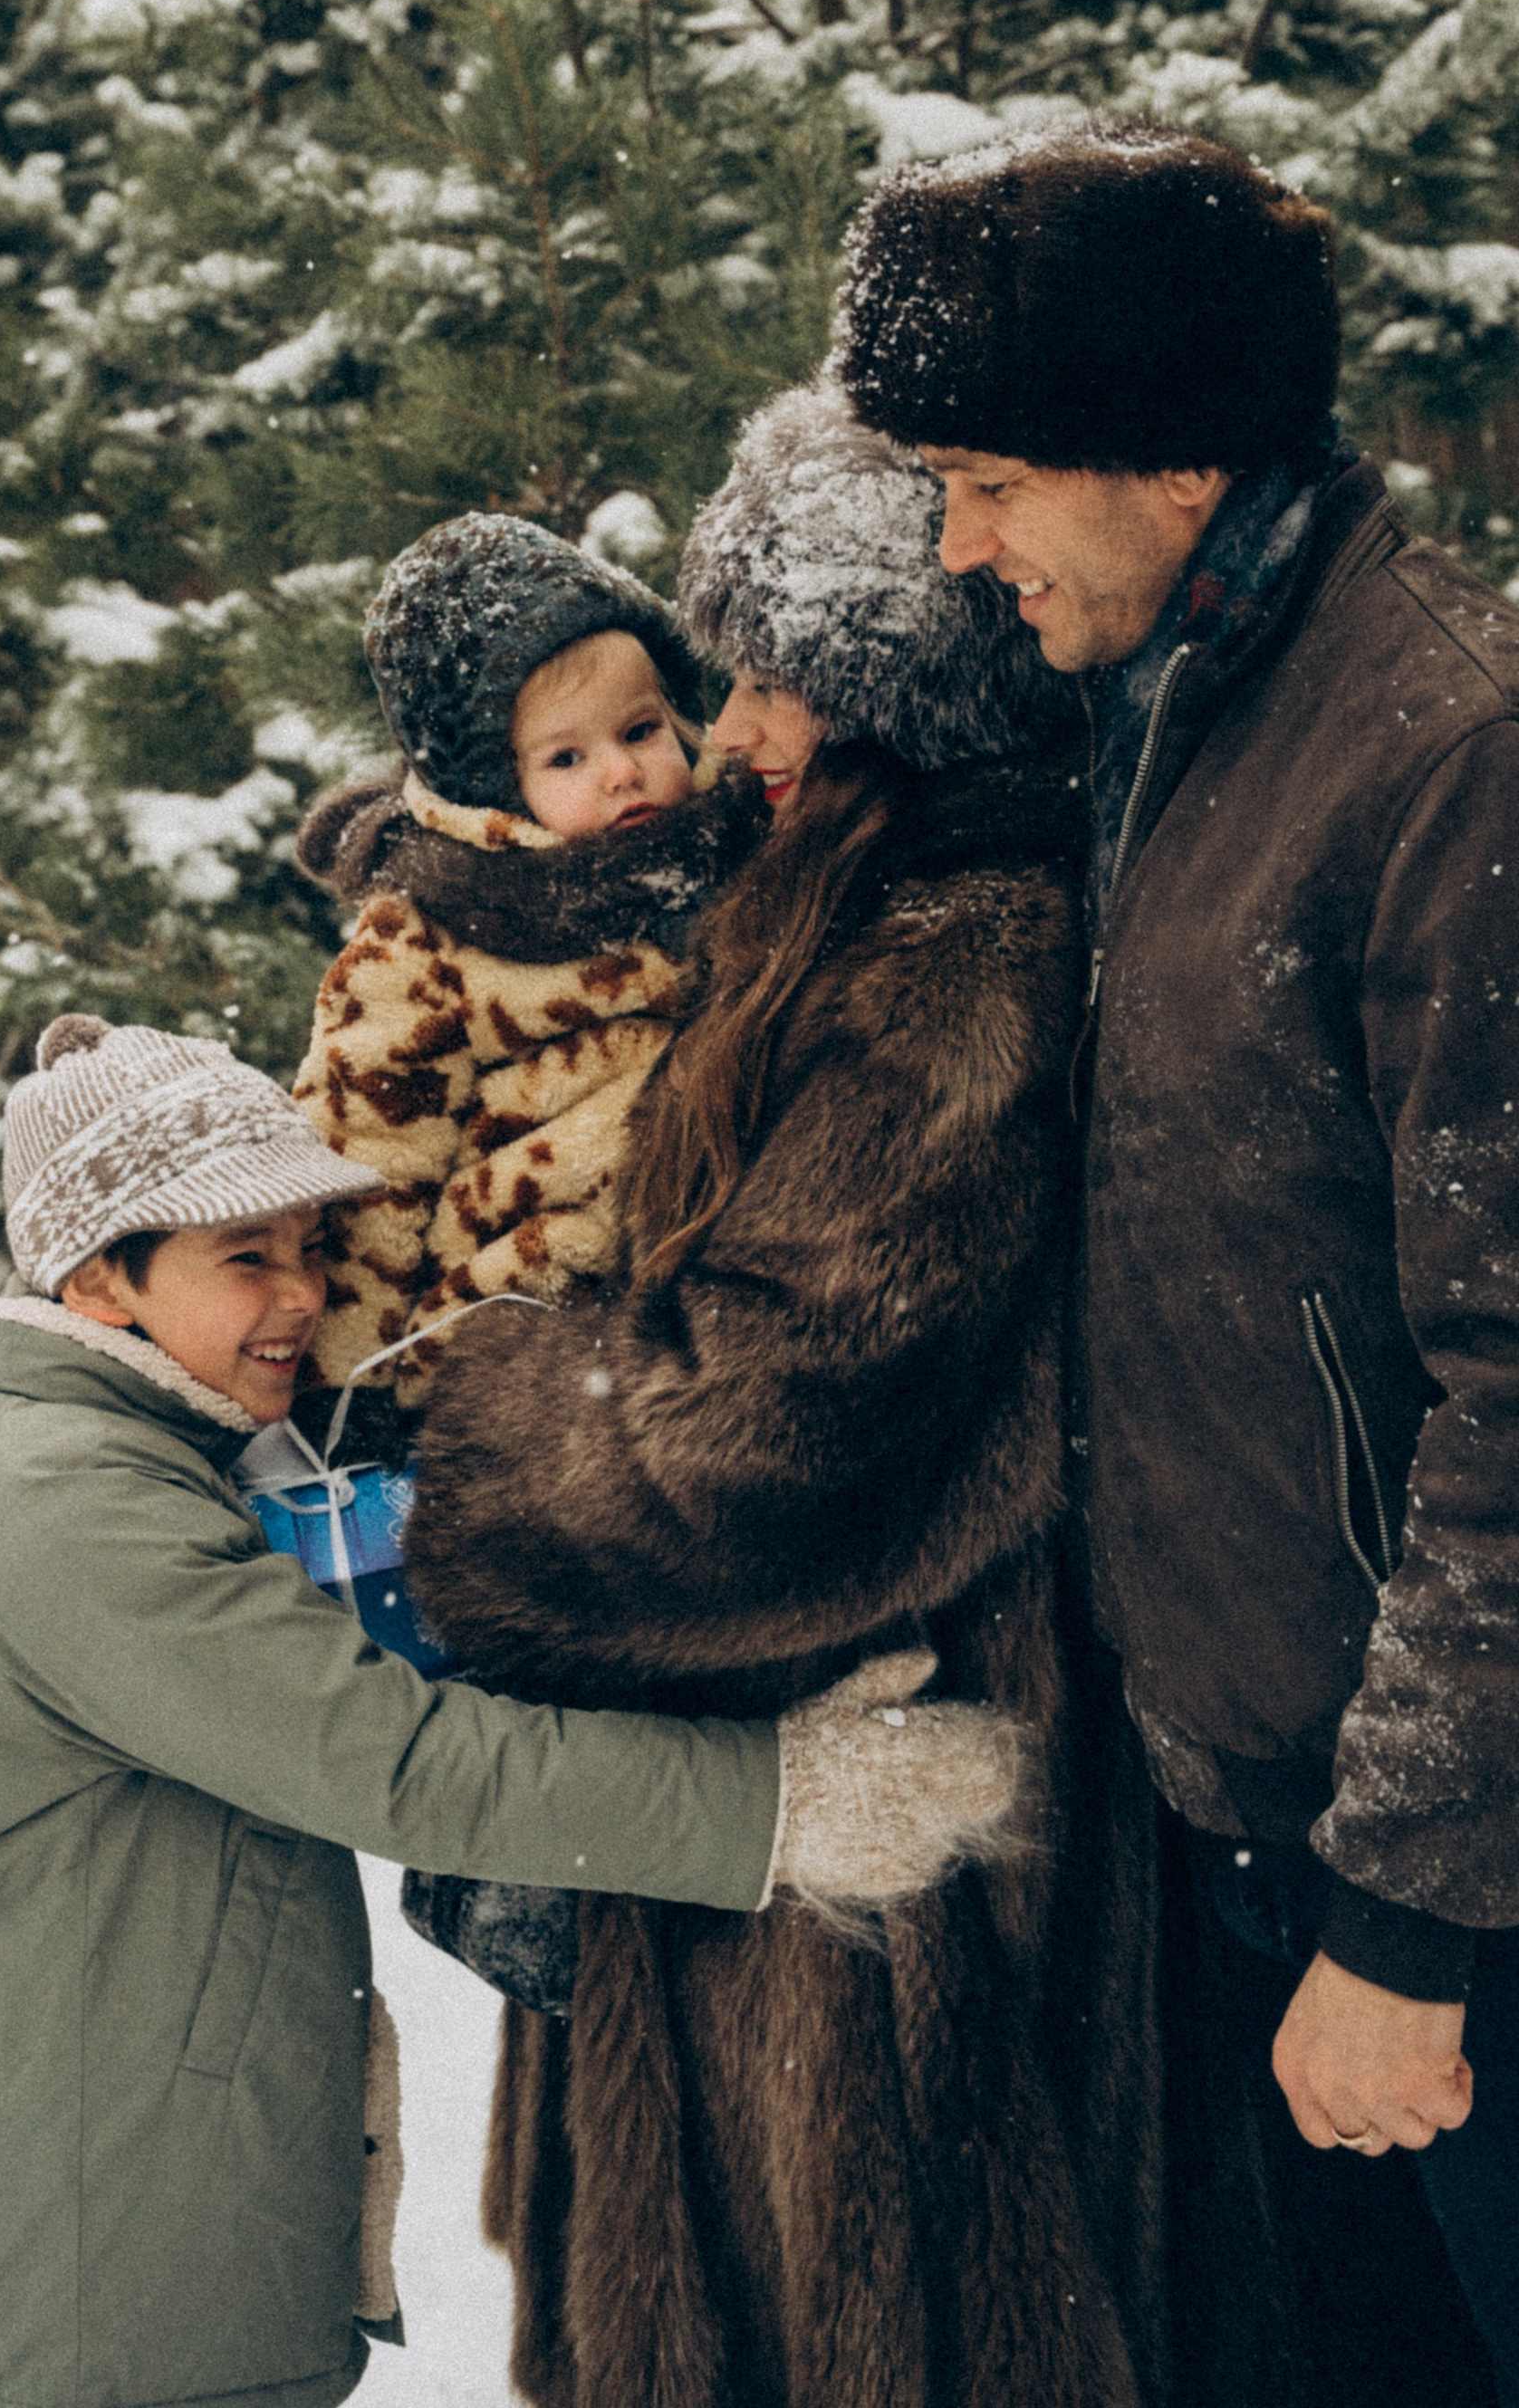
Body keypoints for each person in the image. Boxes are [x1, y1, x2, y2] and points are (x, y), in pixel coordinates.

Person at [838, 120, 1519, 2408]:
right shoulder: (1171, 719)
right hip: (1270, 1826)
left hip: (1498, 1868)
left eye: (979, 476)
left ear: (1169, 452)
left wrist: (1407, 1918)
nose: (953, 545)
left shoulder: (1474, 769)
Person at [405, 385, 1264, 2408]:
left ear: (891, 697)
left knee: (867, 2335)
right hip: (788, 1810)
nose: (727, 734)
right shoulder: (817, 897)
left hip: (876, 1872)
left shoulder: (956, 954)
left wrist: (455, 1450)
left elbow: (761, 1429)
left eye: (777, 678)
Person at [0, 1011, 1021, 2408]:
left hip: (97, 2222)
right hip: (77, 2274)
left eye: (311, 1249)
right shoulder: (74, 1505)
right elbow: (398, 1764)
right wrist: (779, 1802)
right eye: (245, 1259)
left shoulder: (133, 1453)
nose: (302, 1297)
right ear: (100, 1280)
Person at [292, 511, 768, 1403]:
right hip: (520, 1311)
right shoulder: (431, 939)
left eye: (639, 731)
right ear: (493, 790)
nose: (621, 773)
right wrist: (348, 1385)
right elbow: (367, 1161)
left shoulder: (745, 845)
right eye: (565, 756)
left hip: (721, 1270)